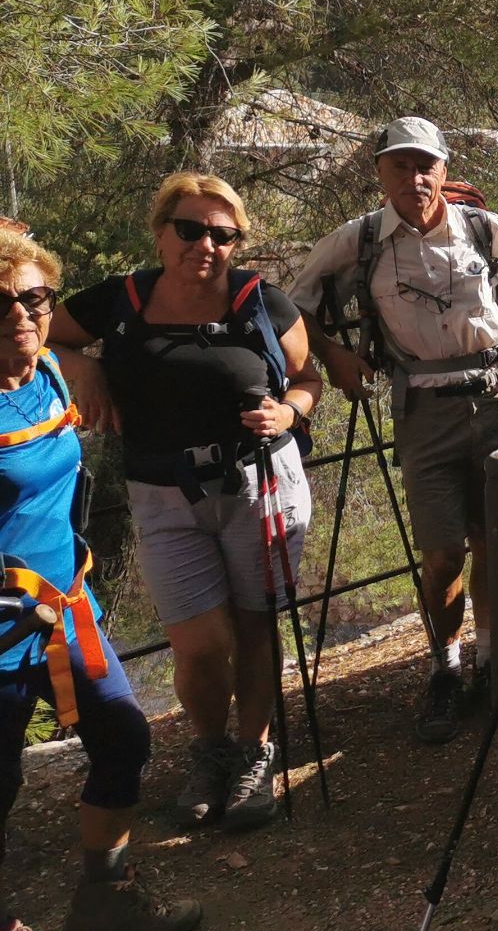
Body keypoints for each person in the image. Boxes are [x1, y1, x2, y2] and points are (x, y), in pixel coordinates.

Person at [48, 174, 323, 833]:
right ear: (161, 232)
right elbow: (43, 332)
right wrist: (85, 367)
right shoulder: (121, 300)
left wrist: (288, 412)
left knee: (255, 626)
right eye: (191, 229)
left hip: (259, 482)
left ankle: (254, 752)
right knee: (198, 644)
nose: (206, 245)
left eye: (223, 235)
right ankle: (210, 748)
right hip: (161, 492)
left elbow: (307, 379)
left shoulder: (261, 301)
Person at [289, 117, 498, 744]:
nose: (414, 178)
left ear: (443, 169)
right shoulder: (359, 240)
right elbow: (292, 304)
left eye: (425, 165)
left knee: (494, 540)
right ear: (380, 172)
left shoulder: (481, 228)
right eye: (400, 166)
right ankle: (446, 668)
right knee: (441, 555)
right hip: (422, 410)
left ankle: (490, 662)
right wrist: (333, 357)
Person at [1, 230, 200, 931]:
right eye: (2, 303)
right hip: (1, 628)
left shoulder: (51, 372)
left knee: (123, 736)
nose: (21, 314)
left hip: (65, 608)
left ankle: (104, 901)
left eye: (34, 298)